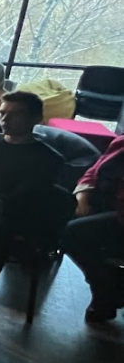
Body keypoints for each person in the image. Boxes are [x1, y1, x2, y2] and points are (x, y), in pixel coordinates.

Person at [0, 92, 66, 239]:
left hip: (5, 218)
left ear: (35, 119)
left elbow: (20, 200)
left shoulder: (49, 159)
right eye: (2, 113)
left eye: (15, 114)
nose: (5, 119)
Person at [63, 134, 124, 323]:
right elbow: (95, 170)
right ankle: (112, 286)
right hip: (107, 203)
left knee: (72, 234)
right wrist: (82, 196)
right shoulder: (121, 143)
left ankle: (106, 292)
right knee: (56, 213)